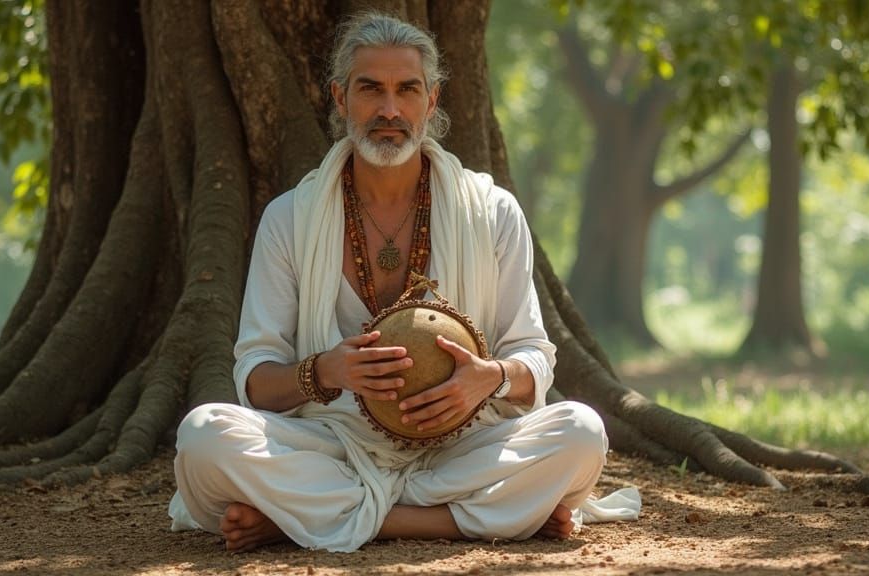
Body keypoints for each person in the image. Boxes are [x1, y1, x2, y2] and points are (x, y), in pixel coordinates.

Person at [168, 12, 631, 553]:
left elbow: (533, 357)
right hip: (333, 441)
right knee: (203, 438)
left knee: (580, 432)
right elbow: (255, 379)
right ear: (340, 100)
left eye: (406, 89)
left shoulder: (492, 212)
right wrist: (326, 371)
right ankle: (477, 514)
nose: (389, 110)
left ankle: (308, 519)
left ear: (431, 102)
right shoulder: (289, 219)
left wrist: (488, 378)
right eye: (371, 90)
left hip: (464, 440)